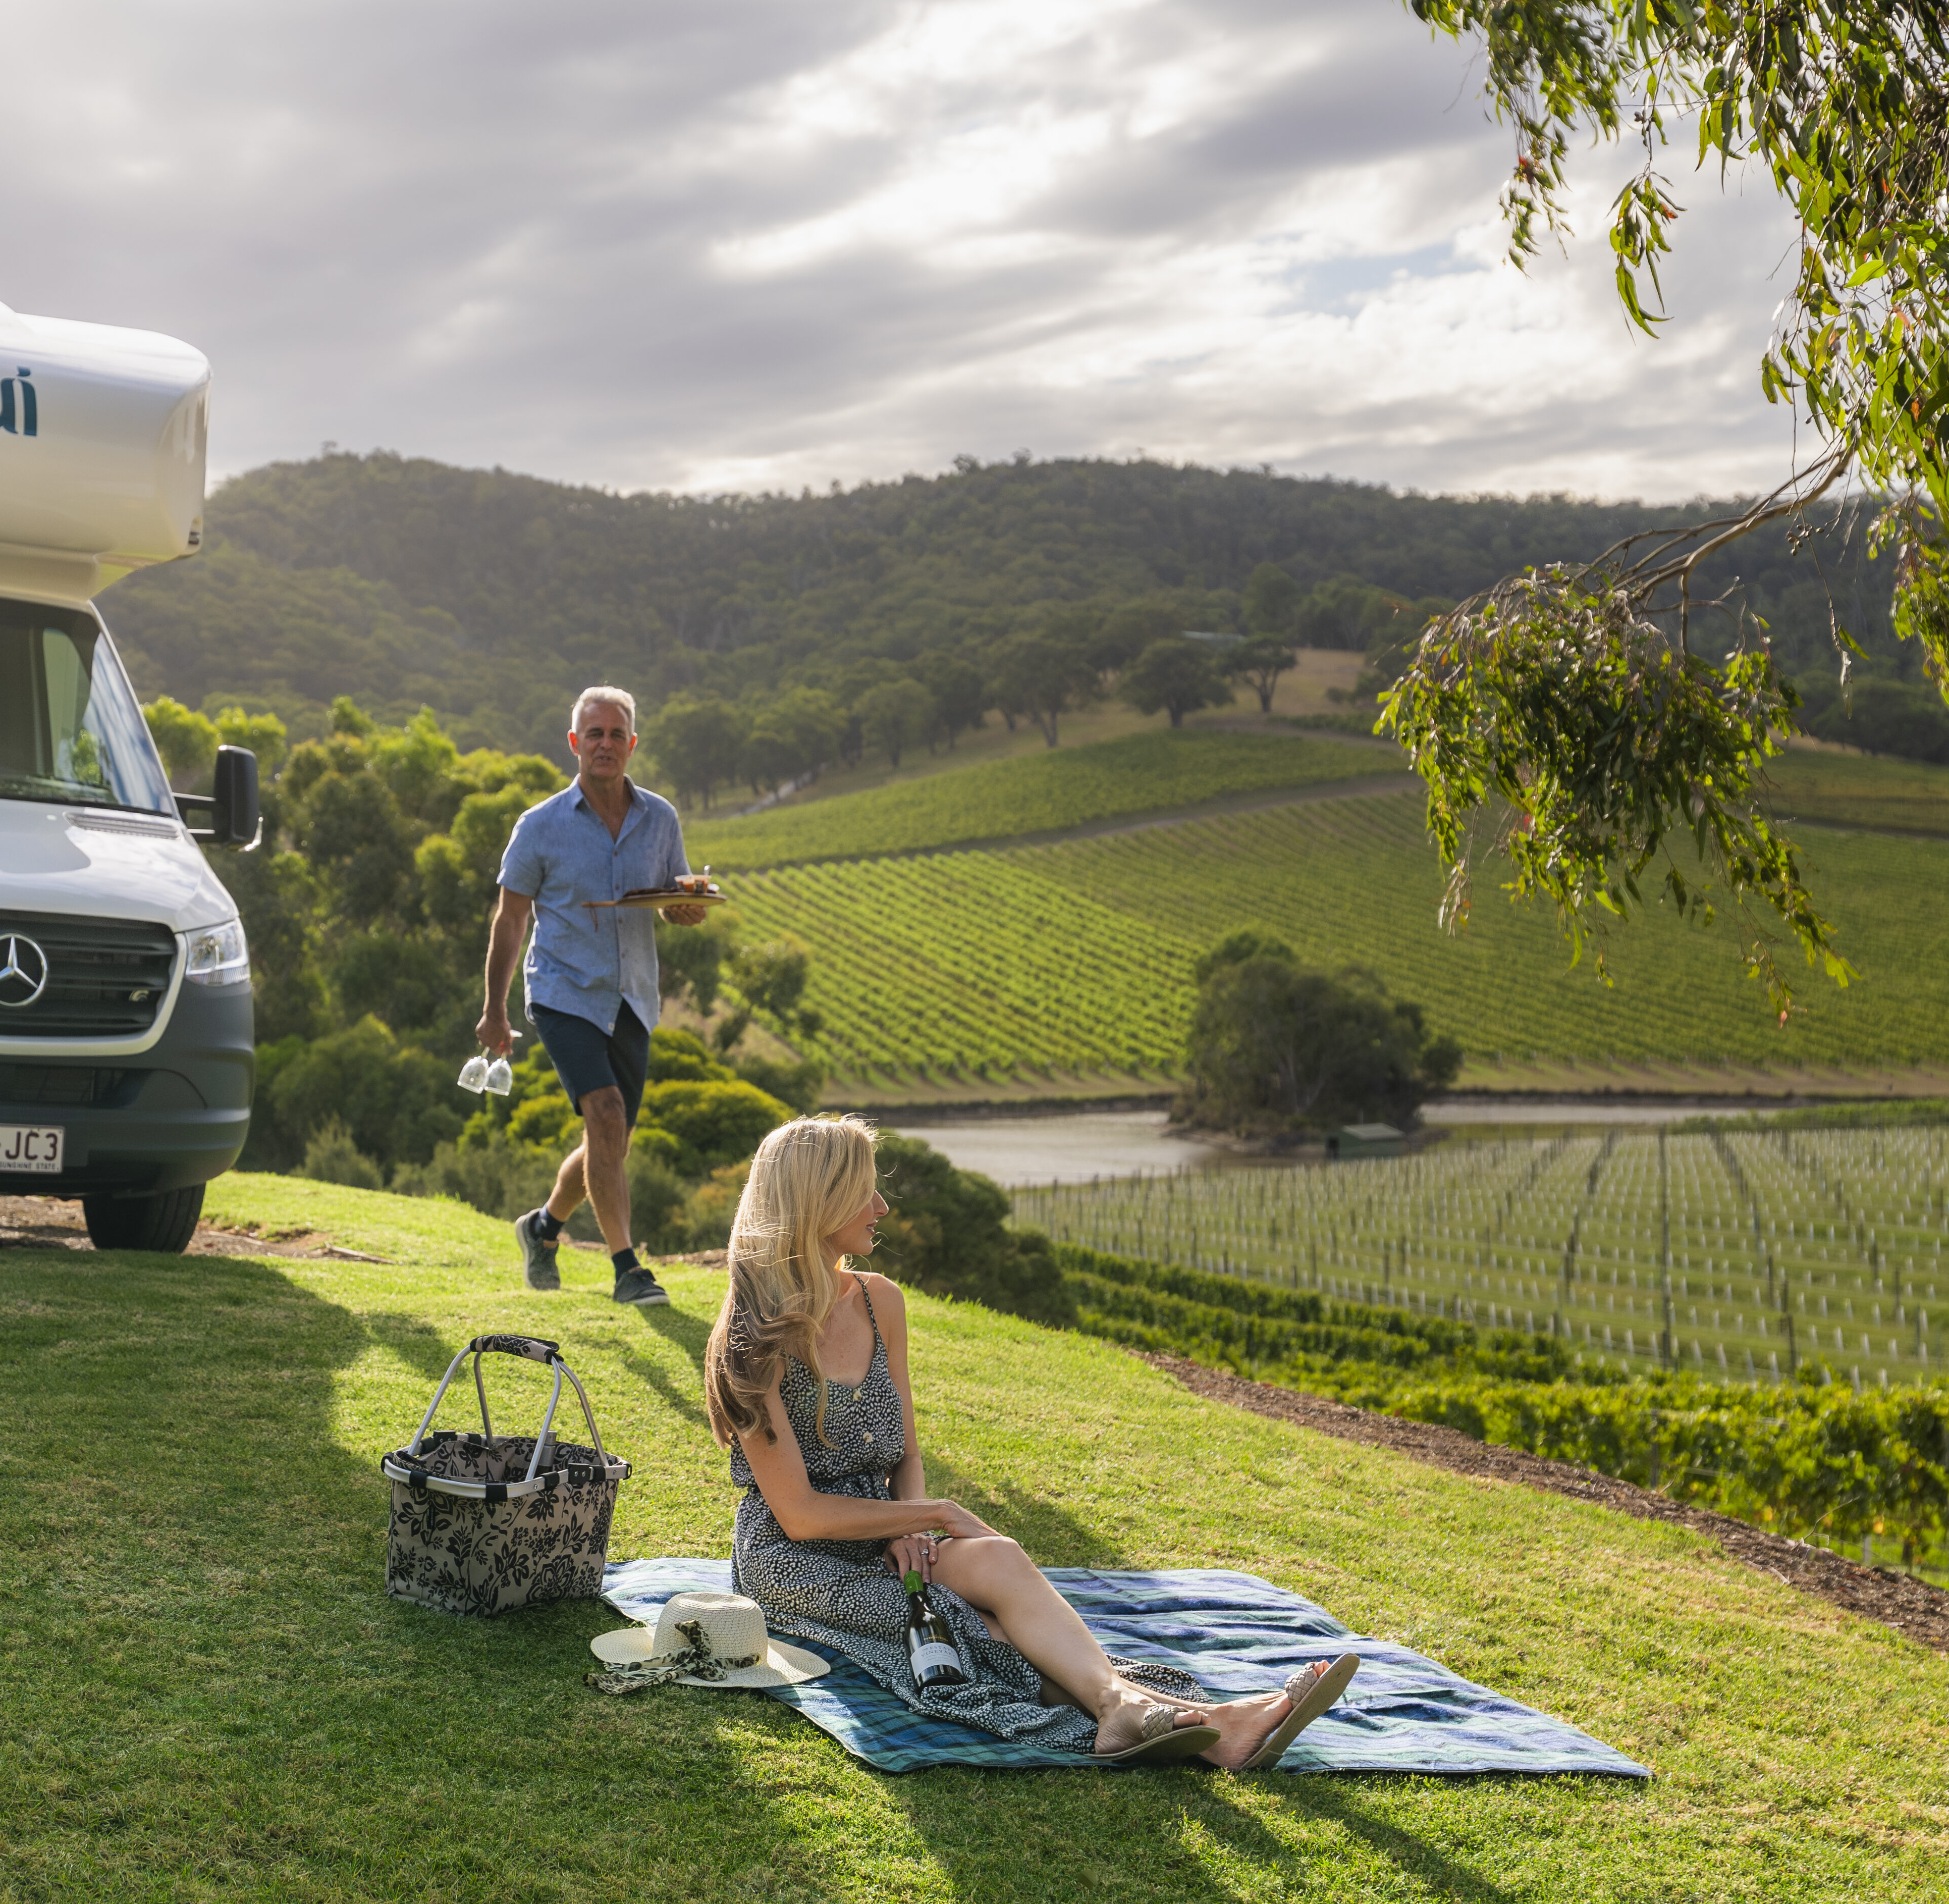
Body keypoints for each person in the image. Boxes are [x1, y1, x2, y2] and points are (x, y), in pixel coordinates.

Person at [707, 1115, 1361, 1767]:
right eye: (865, 1193)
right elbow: (800, 1516)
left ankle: (1145, 1716)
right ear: (817, 1202)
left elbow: (905, 1449)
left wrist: (909, 1526)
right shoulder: (750, 1339)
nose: (882, 1207)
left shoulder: (882, 1303)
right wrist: (933, 1515)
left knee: (1000, 1559)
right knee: (980, 1627)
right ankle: (1203, 1722)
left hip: (884, 1535)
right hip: (793, 1561)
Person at [477, 686, 711, 1306]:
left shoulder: (660, 818)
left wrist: (685, 911)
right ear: (575, 743)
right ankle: (628, 1269)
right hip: (562, 993)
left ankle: (543, 1227)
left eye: (617, 734)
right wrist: (495, 1008)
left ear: (631, 745)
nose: (605, 743)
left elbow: (670, 898)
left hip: (633, 996)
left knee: (609, 1142)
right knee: (604, 1116)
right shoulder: (540, 826)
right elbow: (509, 921)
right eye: (594, 733)